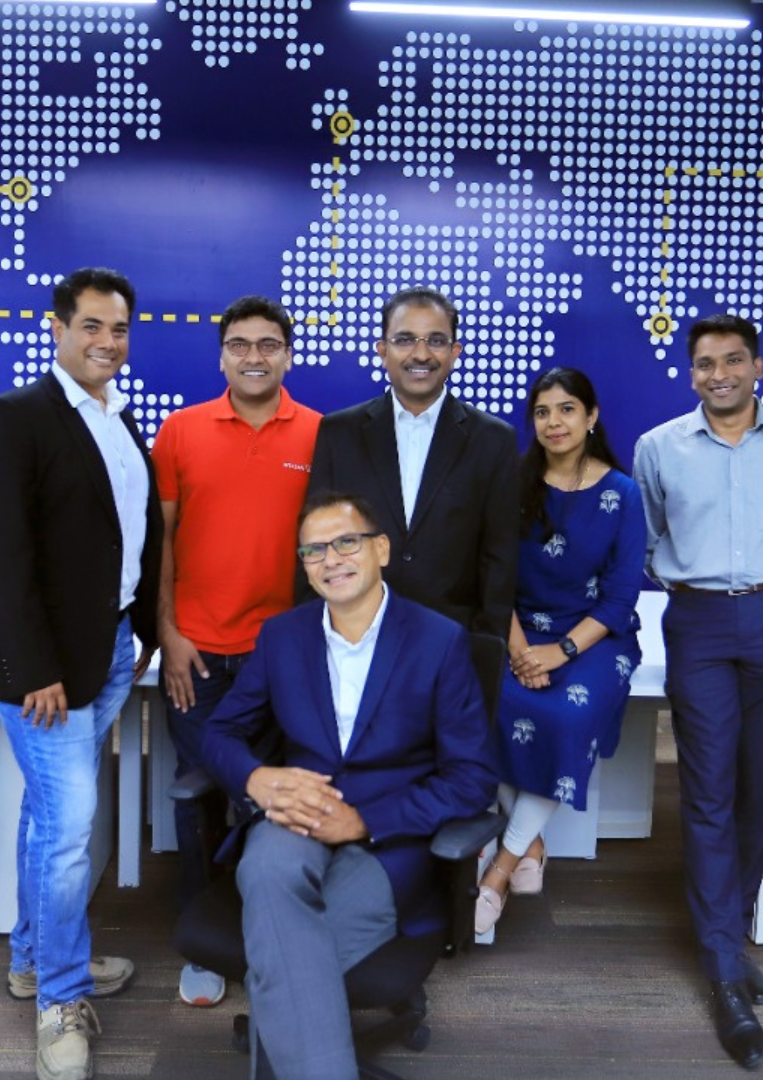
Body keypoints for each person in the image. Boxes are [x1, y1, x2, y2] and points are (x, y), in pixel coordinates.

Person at [199, 492, 500, 1080]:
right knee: (265, 872)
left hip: (389, 842)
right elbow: (219, 733)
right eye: (313, 551)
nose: (330, 559)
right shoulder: (283, 636)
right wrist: (257, 778)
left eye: (345, 542)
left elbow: (471, 778)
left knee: (283, 959)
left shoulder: (438, 641)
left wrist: (364, 820)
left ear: (380, 549)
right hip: (299, 811)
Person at [0, 268, 160, 1080]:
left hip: (109, 649)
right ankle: (60, 999)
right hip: (42, 669)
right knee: (71, 827)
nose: (107, 342)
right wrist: (34, 668)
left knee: (49, 820)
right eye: (91, 326)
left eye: (119, 329)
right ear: (57, 328)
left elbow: (130, 534)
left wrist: (141, 627)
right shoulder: (14, 418)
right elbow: (3, 555)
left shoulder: (118, 418)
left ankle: (32, 959)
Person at [632, 313, 763, 1070]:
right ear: (691, 373)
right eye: (706, 364)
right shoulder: (659, 447)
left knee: (760, 786)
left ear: (757, 366)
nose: (720, 375)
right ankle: (721, 966)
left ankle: (732, 928)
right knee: (708, 790)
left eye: (733, 360)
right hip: (700, 620)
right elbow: (649, 536)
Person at [150, 294, 321, 1007]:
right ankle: (203, 937)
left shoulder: (319, 433)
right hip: (196, 653)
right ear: (221, 356)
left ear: (288, 355)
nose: (255, 357)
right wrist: (167, 633)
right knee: (200, 790)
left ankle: (264, 926)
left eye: (268, 345)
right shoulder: (180, 430)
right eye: (240, 345)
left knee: (275, 793)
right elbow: (160, 541)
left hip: (283, 654)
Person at [476, 367, 644, 934]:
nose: (554, 422)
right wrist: (522, 649)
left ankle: (501, 866)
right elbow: (492, 577)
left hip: (595, 635)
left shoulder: (622, 494)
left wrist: (562, 650)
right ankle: (533, 844)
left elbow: (621, 597)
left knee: (566, 717)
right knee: (479, 704)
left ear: (591, 417)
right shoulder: (510, 485)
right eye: (543, 411)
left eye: (567, 409)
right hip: (515, 628)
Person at [304, 286, 519, 640]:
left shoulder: (494, 440)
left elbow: (500, 560)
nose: (421, 354)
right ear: (382, 351)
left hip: (452, 644)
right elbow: (316, 540)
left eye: (436, 341)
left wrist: (485, 650)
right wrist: (314, 640)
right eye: (404, 340)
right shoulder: (338, 432)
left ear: (454, 352)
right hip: (351, 638)